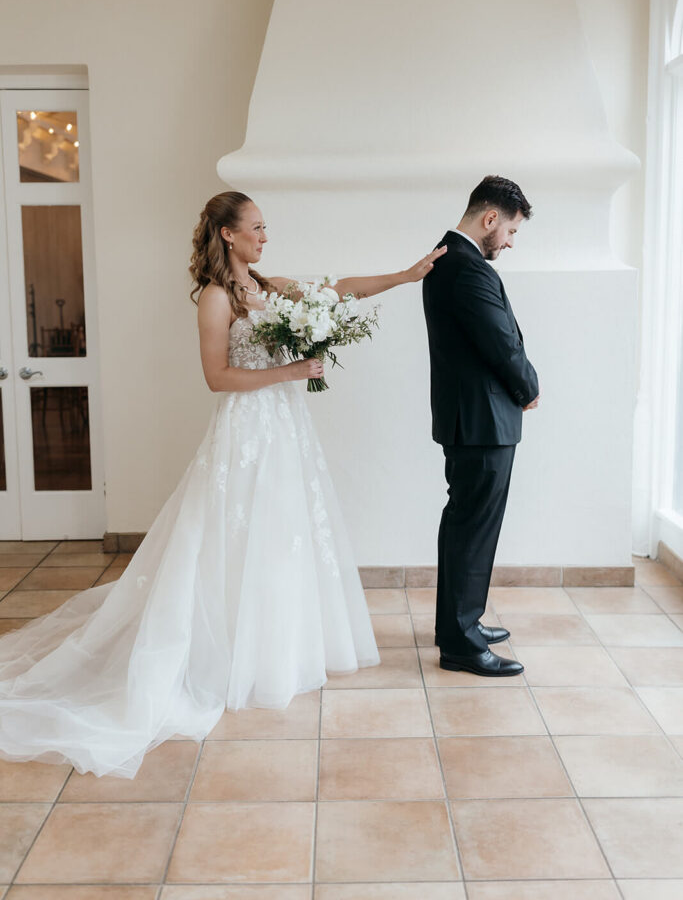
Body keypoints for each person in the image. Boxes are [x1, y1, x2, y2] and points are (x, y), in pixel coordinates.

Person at [0, 189, 445, 779]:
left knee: (283, 534)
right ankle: (230, 657)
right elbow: (217, 377)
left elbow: (337, 289)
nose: (266, 236)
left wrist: (407, 275)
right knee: (235, 540)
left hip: (287, 431)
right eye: (257, 228)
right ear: (229, 234)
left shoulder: (270, 285)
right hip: (245, 432)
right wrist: (290, 371)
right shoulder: (215, 298)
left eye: (266, 227)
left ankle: (278, 652)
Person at [422, 175, 539, 677]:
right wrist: (529, 387)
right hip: (481, 420)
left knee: (466, 525)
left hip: (473, 418)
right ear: (490, 219)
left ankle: (458, 624)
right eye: (510, 231)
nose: (510, 242)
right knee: (472, 528)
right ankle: (462, 643)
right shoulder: (465, 268)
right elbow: (500, 342)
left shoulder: (449, 258)